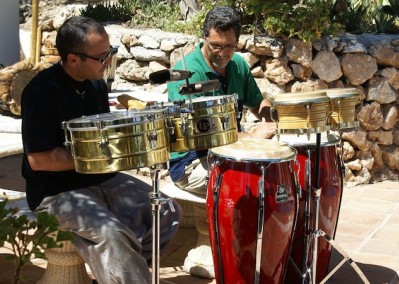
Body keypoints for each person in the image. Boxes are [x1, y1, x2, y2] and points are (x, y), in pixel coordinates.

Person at [21, 16, 182, 284]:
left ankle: (122, 275)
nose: (109, 61)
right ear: (73, 59)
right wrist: (100, 156)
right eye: (102, 56)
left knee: (167, 211)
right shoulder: (41, 91)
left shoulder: (95, 84)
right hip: (55, 192)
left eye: (111, 53)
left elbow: (104, 135)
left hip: (102, 179)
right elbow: (40, 160)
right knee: (113, 234)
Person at [167, 6, 276, 195]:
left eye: (229, 46)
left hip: (232, 150)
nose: (222, 53)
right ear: (204, 38)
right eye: (216, 46)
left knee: (282, 170)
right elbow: (202, 134)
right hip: (192, 161)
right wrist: (252, 137)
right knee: (251, 184)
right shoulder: (186, 74)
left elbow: (258, 103)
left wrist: (272, 120)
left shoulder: (238, 65)